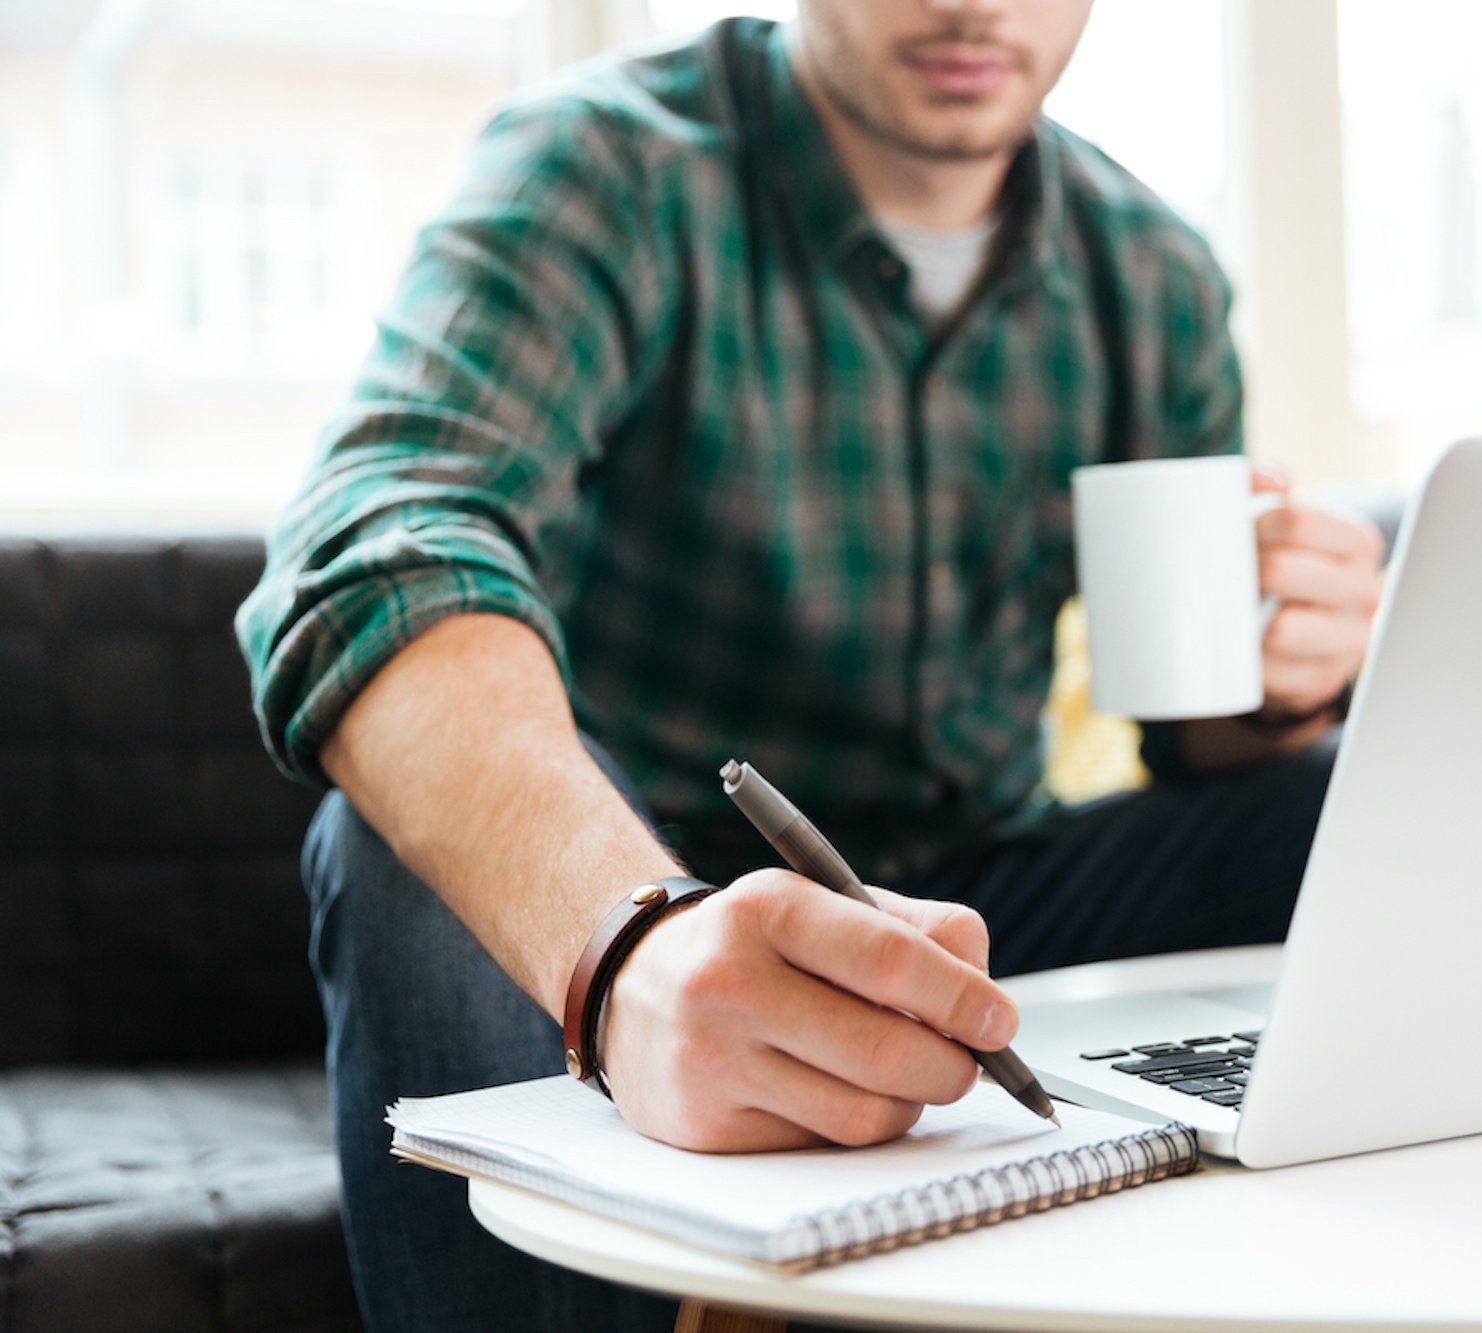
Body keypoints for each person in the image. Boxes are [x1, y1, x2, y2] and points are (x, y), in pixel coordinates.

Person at [237, 1, 1385, 1327]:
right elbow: (374, 537)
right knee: (391, 846)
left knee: (1352, 804)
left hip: (983, 909)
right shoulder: (608, 167)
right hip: (654, 884)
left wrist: (1284, 673)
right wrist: (627, 941)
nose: (977, 6)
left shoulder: (1152, 271)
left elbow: (1197, 744)